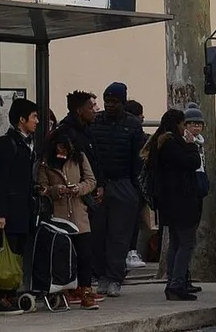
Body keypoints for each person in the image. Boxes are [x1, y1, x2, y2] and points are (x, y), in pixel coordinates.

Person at [86, 82, 143, 298]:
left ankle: (115, 277)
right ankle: (101, 275)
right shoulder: (96, 123)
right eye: (107, 101)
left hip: (123, 183)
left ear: (122, 102)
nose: (109, 105)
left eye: (114, 102)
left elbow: (137, 160)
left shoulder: (132, 125)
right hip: (99, 184)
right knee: (98, 234)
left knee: (119, 235)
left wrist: (135, 189)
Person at [0, 97, 40, 316]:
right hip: (9, 209)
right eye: (34, 117)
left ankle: (11, 293)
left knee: (16, 252)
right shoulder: (6, 144)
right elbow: (0, 180)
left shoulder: (28, 143)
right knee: (4, 252)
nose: (37, 121)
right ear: (21, 119)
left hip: (24, 208)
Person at [143, 108, 203, 301]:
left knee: (176, 243)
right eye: (183, 124)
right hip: (182, 202)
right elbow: (191, 162)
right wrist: (192, 145)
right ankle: (177, 283)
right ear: (178, 124)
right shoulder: (173, 144)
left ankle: (174, 281)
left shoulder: (160, 143)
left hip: (169, 203)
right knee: (186, 243)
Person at [37, 131, 99, 310]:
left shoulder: (78, 157)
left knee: (85, 254)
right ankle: (63, 291)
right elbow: (41, 188)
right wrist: (55, 190)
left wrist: (78, 188)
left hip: (79, 212)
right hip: (59, 215)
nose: (62, 150)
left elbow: (91, 180)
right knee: (62, 256)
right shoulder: (45, 162)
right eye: (59, 146)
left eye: (65, 146)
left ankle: (85, 291)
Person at [123, 100, 148, 271]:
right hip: (133, 182)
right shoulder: (137, 134)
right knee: (132, 221)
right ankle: (130, 251)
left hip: (129, 181)